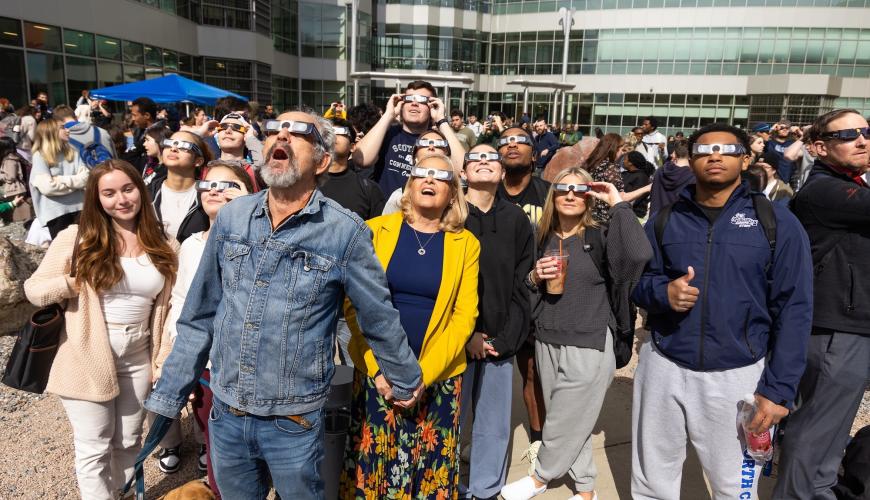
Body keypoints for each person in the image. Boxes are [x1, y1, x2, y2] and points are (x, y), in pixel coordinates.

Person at [145, 109, 425, 498]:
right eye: (275, 130)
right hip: (226, 413)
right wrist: (170, 392)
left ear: (322, 159)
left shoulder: (345, 232)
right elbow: (200, 314)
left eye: (297, 133)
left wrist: (404, 376)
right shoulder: (233, 217)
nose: (281, 137)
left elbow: (377, 315)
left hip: (293, 420)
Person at [630, 123, 813, 499]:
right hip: (665, 364)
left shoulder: (777, 222)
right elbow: (636, 283)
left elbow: (795, 309)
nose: (715, 155)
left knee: (735, 487)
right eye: (704, 149)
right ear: (689, 159)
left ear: (745, 159)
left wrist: (778, 391)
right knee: (652, 480)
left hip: (738, 373)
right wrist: (664, 292)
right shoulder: (665, 219)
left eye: (726, 149)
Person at [24, 159, 178, 500]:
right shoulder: (76, 238)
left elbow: (169, 310)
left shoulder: (164, 242)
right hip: (86, 351)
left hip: (139, 354)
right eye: (108, 193)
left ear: (140, 188)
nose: (121, 199)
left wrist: (162, 358)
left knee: (128, 441)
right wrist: (73, 282)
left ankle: (119, 494)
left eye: (127, 189)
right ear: (96, 199)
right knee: (94, 445)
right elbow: (34, 289)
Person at [501, 169, 651, 500]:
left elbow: (639, 257)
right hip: (547, 340)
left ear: (589, 195)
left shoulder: (601, 236)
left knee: (563, 422)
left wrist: (619, 205)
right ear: (553, 195)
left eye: (579, 189)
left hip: (590, 342)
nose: (570, 195)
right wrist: (534, 277)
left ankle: (541, 477)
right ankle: (586, 490)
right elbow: (523, 288)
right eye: (563, 189)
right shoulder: (540, 237)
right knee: (572, 420)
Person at [340, 153, 479, 499]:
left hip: (438, 380)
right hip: (378, 376)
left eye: (441, 177)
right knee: (373, 470)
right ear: (409, 183)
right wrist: (378, 370)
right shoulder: (374, 231)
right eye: (422, 173)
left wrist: (421, 377)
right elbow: (353, 307)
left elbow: (465, 317)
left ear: (453, 193)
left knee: (428, 474)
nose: (430, 180)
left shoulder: (467, 245)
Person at [775, 109, 870, 500]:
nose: (862, 140)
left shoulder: (849, 183)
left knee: (827, 434)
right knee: (814, 435)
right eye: (848, 135)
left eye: (866, 131)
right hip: (836, 331)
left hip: (847, 328)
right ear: (819, 148)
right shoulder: (825, 190)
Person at [164, 161, 253, 495]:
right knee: (216, 443)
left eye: (228, 185)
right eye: (209, 184)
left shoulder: (264, 241)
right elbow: (181, 301)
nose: (215, 190)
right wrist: (181, 359)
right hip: (208, 365)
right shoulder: (191, 245)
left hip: (253, 366)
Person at [459, 144, 534, 499]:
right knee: (451, 423)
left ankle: (485, 489)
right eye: (476, 158)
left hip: (499, 341)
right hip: (455, 341)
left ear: (503, 173)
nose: (485, 162)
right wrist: (469, 333)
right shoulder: (450, 213)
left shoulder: (516, 219)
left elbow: (523, 284)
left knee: (493, 426)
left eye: (492, 158)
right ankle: (450, 485)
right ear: (463, 172)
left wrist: (503, 339)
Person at [496, 125, 550, 474]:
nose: (512, 145)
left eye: (521, 141)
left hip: (538, 296)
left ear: (535, 153)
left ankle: (540, 439)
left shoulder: (546, 194)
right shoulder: (485, 190)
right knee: (489, 371)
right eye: (505, 141)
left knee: (535, 373)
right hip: (495, 295)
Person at [319, 118, 385, 367]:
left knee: (355, 363)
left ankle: (349, 407)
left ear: (354, 142)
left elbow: (378, 243)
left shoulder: (368, 188)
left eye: (341, 132)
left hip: (352, 293)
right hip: (312, 292)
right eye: (328, 131)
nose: (334, 136)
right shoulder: (303, 185)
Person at [354, 81, 462, 195]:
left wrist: (441, 120)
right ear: (401, 104)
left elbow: (463, 171)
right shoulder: (386, 133)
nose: (414, 103)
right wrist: (388, 115)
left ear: (432, 107)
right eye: (409, 99)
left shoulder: (438, 140)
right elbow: (360, 159)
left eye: (421, 100)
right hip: (386, 211)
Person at [147, 131, 213, 241]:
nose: (173, 148)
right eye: (169, 143)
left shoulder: (208, 195)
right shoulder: (147, 193)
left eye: (184, 145)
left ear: (198, 161)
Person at [29, 118, 89, 238]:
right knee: (64, 251)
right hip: (56, 213)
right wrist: (75, 184)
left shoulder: (74, 151)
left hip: (81, 208)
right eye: (62, 127)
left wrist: (59, 179)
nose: (67, 130)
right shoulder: (40, 156)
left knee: (86, 248)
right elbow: (47, 188)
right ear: (51, 132)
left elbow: (86, 178)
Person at [206, 112, 264, 192]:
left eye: (236, 127)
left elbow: (263, 163)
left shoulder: (252, 171)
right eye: (223, 127)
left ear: (245, 136)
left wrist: (251, 138)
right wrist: (201, 134)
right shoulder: (206, 169)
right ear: (217, 135)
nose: (228, 131)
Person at [581, 133, 625, 223]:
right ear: (614, 149)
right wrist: (646, 189)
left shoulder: (592, 164)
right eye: (621, 149)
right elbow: (620, 197)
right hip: (605, 218)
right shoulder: (611, 168)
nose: (622, 153)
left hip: (588, 214)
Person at [53, 104, 117, 162]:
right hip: (108, 172)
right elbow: (115, 159)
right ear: (76, 117)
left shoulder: (60, 139)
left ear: (57, 122)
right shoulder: (103, 132)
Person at [649, 142, 694, 215]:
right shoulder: (693, 176)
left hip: (655, 219)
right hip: (678, 221)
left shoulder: (660, 171)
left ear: (674, 154)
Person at [0, 136, 32, 224]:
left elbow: (10, 177)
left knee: (18, 208)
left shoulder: (9, 160)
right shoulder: (12, 157)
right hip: (15, 188)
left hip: (13, 188)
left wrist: (1, 177)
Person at [764, 120, 798, 186]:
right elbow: (757, 140)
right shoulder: (770, 143)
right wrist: (771, 130)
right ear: (777, 128)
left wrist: (798, 131)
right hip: (772, 179)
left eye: (787, 128)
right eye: (782, 128)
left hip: (790, 180)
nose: (784, 130)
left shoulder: (793, 143)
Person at [621, 151, 652, 218]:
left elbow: (635, 199)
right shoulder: (625, 173)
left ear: (630, 163)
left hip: (633, 215)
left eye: (625, 159)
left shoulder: (641, 177)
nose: (623, 161)